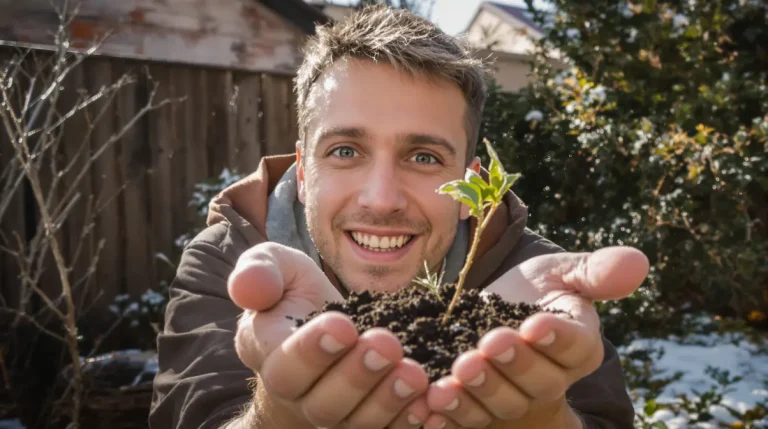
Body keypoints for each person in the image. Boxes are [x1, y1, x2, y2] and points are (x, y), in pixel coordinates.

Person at [149, 5, 648, 429]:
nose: (382, 199)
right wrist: (278, 413)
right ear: (303, 172)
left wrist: (543, 418)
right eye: (345, 150)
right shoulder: (226, 259)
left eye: (425, 157)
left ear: (470, 187)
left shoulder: (539, 287)